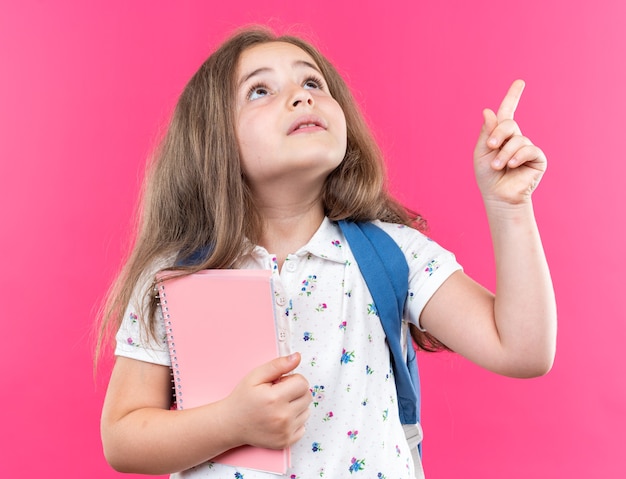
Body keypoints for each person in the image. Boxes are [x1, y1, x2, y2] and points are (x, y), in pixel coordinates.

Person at [98, 26, 557, 479]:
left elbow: (522, 351)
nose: (302, 96)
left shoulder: (391, 253)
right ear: (214, 140)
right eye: (260, 90)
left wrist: (509, 207)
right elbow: (123, 438)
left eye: (312, 81)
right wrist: (230, 422)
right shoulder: (177, 275)